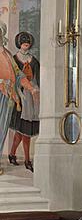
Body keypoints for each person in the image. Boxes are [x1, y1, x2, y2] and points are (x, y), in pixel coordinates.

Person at [0, 22, 37, 175]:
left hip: (9, 97)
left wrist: (31, 88)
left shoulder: (7, 53)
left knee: (2, 129)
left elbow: (18, 74)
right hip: (2, 92)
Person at [8, 32, 40, 172]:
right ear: (19, 43)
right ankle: (27, 160)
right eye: (23, 42)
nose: (25, 44)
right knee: (23, 131)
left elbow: (38, 80)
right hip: (19, 99)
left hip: (31, 99)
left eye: (27, 42)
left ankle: (12, 154)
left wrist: (35, 91)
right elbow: (12, 79)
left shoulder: (34, 61)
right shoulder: (13, 59)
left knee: (22, 132)